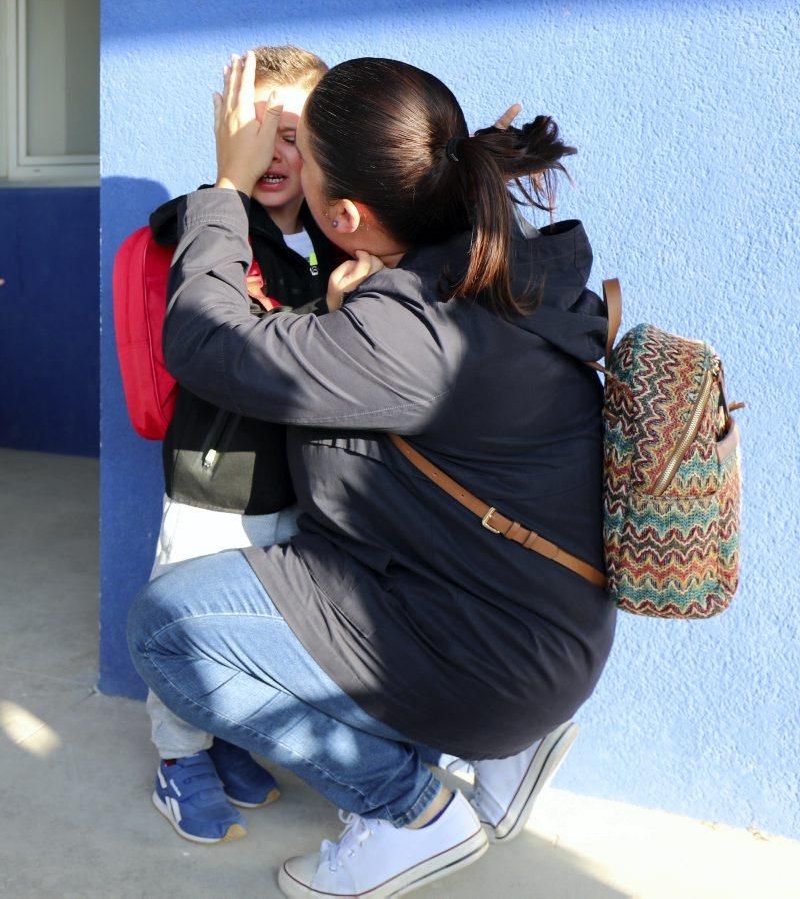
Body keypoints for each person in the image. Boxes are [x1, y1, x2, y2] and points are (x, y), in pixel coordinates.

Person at [128, 51, 617, 898]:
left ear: (346, 212)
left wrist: (226, 191)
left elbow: (206, 345)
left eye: (301, 153)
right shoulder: (486, 252)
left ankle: (414, 814)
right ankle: (504, 745)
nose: (282, 162)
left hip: (496, 653)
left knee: (168, 632)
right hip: (537, 621)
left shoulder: (407, 332)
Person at [143, 45, 340, 844]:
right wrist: (227, 182)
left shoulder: (331, 237)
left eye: (293, 134)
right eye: (259, 129)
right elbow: (186, 242)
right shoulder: (213, 216)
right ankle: (178, 757)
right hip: (212, 478)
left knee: (259, 624)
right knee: (184, 619)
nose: (275, 152)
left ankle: (223, 738)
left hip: (296, 482)